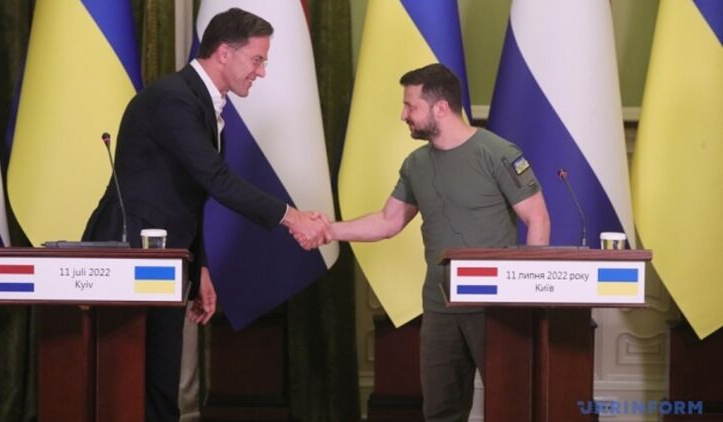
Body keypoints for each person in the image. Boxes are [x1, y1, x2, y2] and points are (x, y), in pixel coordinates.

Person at [82, 8, 327, 421]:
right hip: (128, 253)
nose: (262, 71)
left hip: (165, 259)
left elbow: (188, 197)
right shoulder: (173, 98)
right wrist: (293, 217)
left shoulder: (204, 104)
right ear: (224, 53)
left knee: (159, 382)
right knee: (126, 384)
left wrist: (201, 269)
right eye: (257, 59)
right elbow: (216, 180)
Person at [326, 63, 550, 421]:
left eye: (410, 106)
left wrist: (529, 294)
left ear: (441, 107)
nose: (403, 115)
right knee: (441, 411)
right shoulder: (415, 164)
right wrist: (328, 231)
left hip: (496, 308)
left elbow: (537, 218)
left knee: (511, 406)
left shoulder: (498, 152)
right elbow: (388, 221)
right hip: (439, 306)